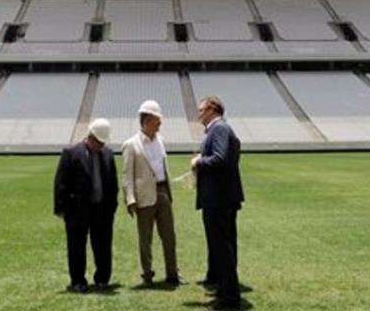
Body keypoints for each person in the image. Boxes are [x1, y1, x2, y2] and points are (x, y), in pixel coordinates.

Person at [190, 95, 244, 310]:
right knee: (224, 247)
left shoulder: (219, 129)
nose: (199, 114)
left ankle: (230, 297)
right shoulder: (221, 129)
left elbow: (220, 159)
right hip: (222, 198)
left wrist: (198, 162)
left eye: (201, 109)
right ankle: (224, 289)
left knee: (222, 248)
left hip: (218, 200)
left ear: (212, 109)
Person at [53, 118, 118, 293]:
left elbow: (113, 183)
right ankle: (78, 280)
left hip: (101, 209)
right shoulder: (71, 153)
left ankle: (102, 279)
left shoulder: (108, 154)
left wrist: (112, 207)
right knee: (76, 246)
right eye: (98, 141)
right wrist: (61, 208)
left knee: (103, 245)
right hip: (77, 210)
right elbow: (61, 183)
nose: (101, 145)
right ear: (90, 137)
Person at [122, 100, 180, 286]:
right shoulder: (131, 145)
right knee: (145, 239)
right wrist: (130, 199)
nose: (160, 124)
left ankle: (173, 274)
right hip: (144, 196)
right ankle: (147, 274)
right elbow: (127, 175)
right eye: (157, 120)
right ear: (147, 121)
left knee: (169, 236)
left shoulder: (161, 141)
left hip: (163, 193)